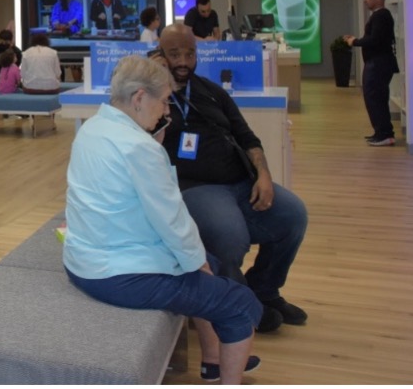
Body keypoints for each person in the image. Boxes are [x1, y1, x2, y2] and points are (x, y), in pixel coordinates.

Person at [64, 55, 261, 384]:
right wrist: (197, 263)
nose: (167, 111)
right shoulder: (139, 148)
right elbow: (172, 219)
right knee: (240, 304)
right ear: (140, 97)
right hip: (117, 275)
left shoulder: (94, 127)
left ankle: (213, 361)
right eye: (165, 101)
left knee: (207, 261)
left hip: (83, 260)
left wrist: (199, 261)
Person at [157, 24, 309, 333]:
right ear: (161, 55)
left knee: (293, 214)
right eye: (174, 54)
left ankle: (263, 290)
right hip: (195, 187)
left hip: (240, 181)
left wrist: (264, 174)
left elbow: (247, 136)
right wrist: (159, 86)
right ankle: (238, 304)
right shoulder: (152, 98)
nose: (184, 61)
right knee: (230, 235)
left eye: (190, 53)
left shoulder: (211, 92)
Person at [345, 0, 400, 146]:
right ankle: (381, 132)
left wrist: (354, 41)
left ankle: (384, 134)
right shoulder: (379, 16)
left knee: (375, 98)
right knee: (375, 98)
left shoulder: (381, 16)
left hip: (378, 64)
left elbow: (375, 40)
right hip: (377, 63)